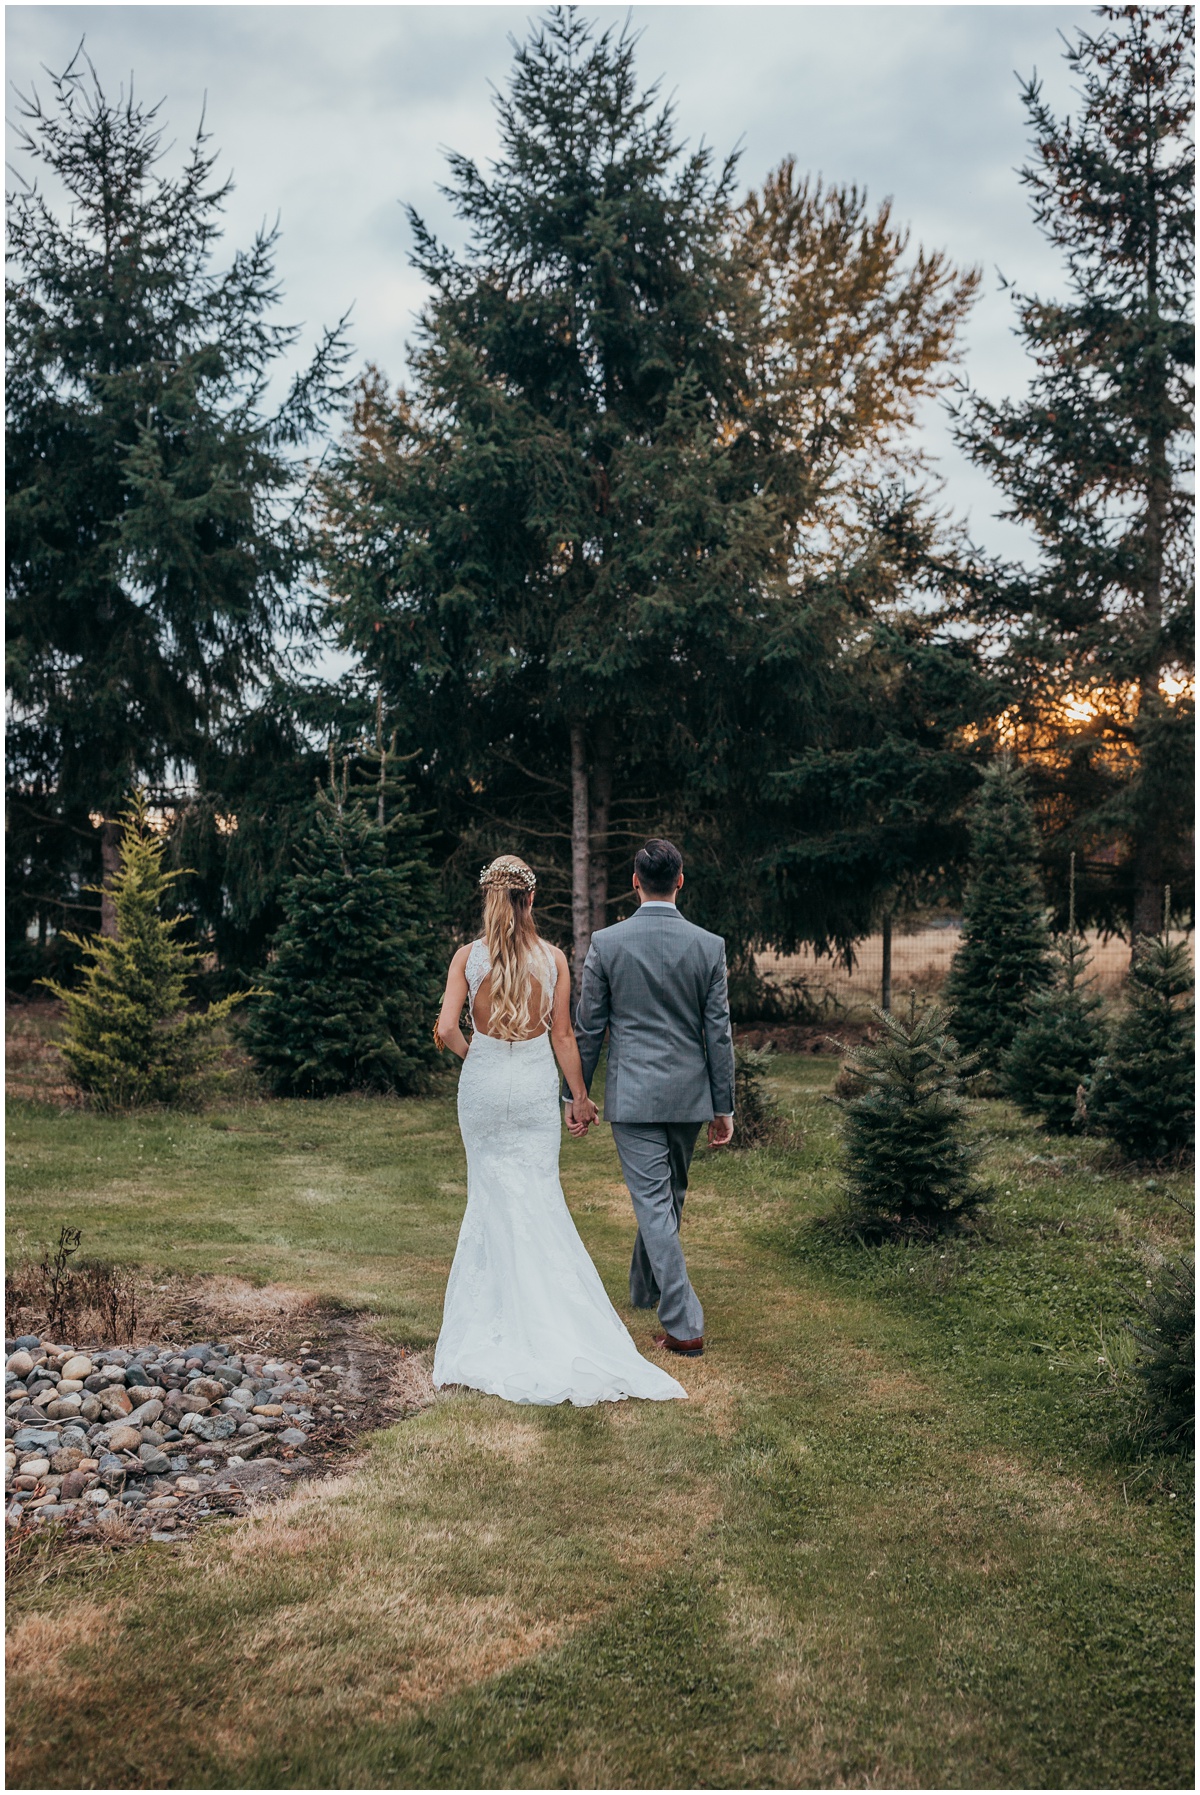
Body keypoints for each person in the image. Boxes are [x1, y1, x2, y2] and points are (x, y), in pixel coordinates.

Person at [431, 854, 687, 1406]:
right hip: (530, 1086)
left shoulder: (467, 958)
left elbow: (447, 1027)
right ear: (530, 900)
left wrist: (474, 1053)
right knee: (538, 1196)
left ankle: (496, 1317)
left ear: (489, 899)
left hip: (482, 1084)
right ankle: (551, 1317)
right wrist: (579, 1097)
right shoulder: (551, 960)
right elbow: (564, 1036)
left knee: (489, 1197)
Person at [566, 838, 735, 1358]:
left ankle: (684, 1326)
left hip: (635, 1096)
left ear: (635, 882)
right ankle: (649, 1292)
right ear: (680, 881)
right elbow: (719, 1033)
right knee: (666, 1201)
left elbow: (588, 1029)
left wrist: (576, 1093)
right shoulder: (708, 945)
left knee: (661, 1204)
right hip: (688, 1097)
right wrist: (722, 1104)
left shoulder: (607, 942)